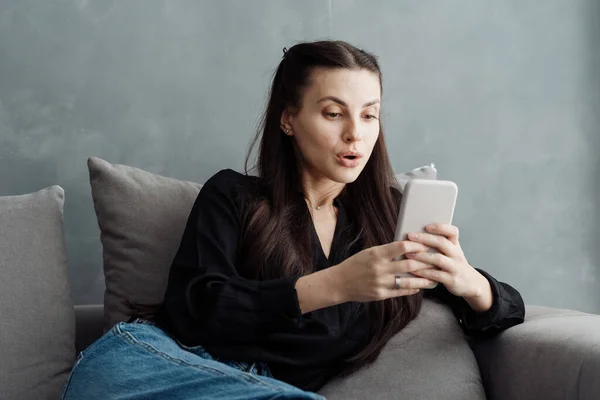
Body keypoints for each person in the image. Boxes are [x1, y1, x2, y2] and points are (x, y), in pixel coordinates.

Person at [62, 40, 525, 400]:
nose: (355, 134)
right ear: (288, 119)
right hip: (151, 365)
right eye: (333, 113)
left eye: (369, 116)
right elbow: (196, 307)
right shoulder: (234, 195)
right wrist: (337, 285)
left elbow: (510, 310)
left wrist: (469, 283)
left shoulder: (386, 222)